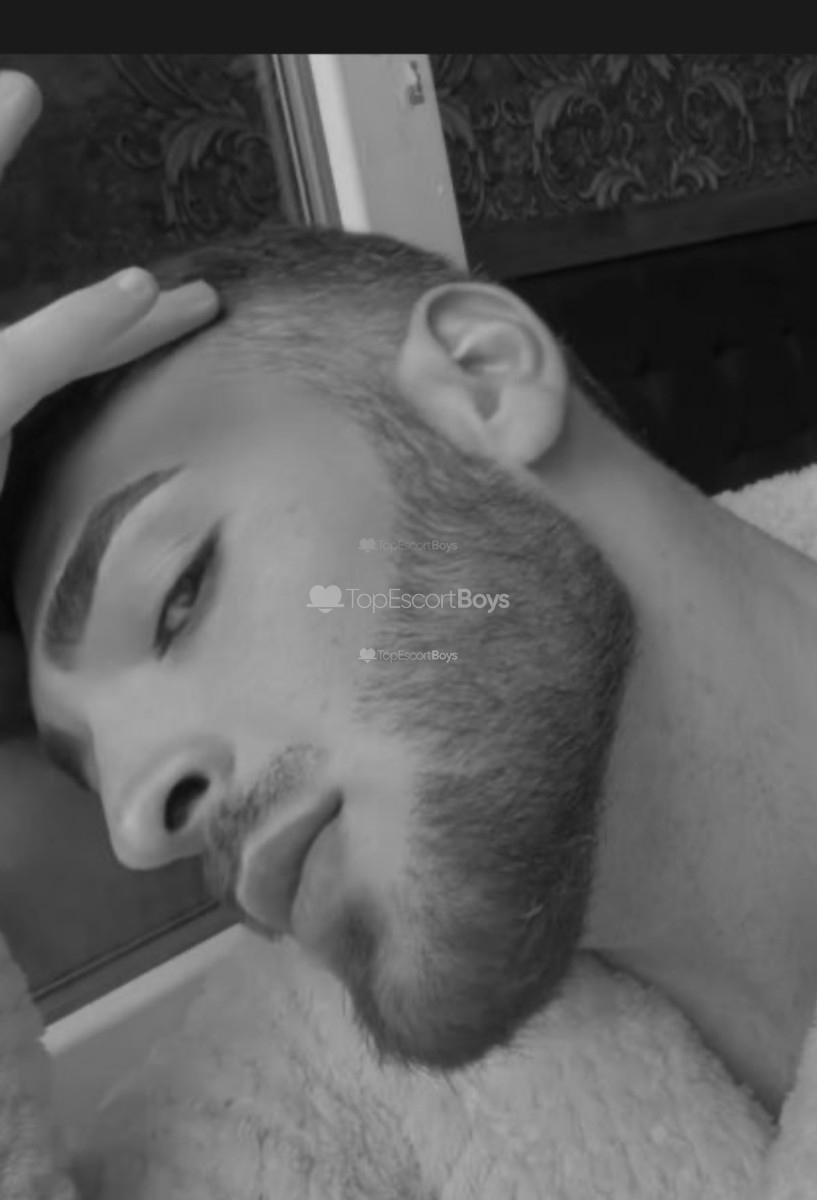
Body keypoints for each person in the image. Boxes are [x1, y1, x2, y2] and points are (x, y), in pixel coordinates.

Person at [3, 68, 816, 1126]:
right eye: (94, 774)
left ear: (484, 382)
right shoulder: (319, 1114)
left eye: (176, 596)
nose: (137, 829)